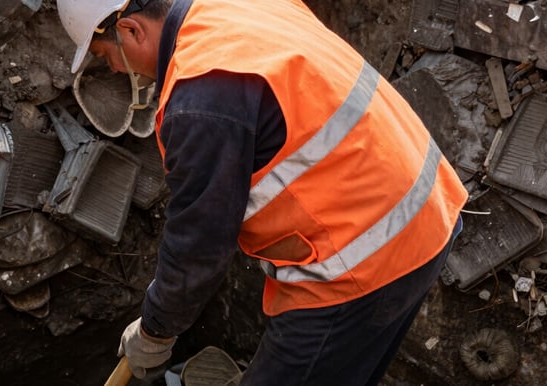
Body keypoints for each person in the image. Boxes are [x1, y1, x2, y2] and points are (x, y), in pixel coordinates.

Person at [57, 0, 468, 384]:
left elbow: (199, 245)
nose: (111, 69)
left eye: (102, 55)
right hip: (425, 210)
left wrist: (155, 331)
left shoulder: (201, 95)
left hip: (362, 261)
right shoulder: (235, 9)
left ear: (130, 30)